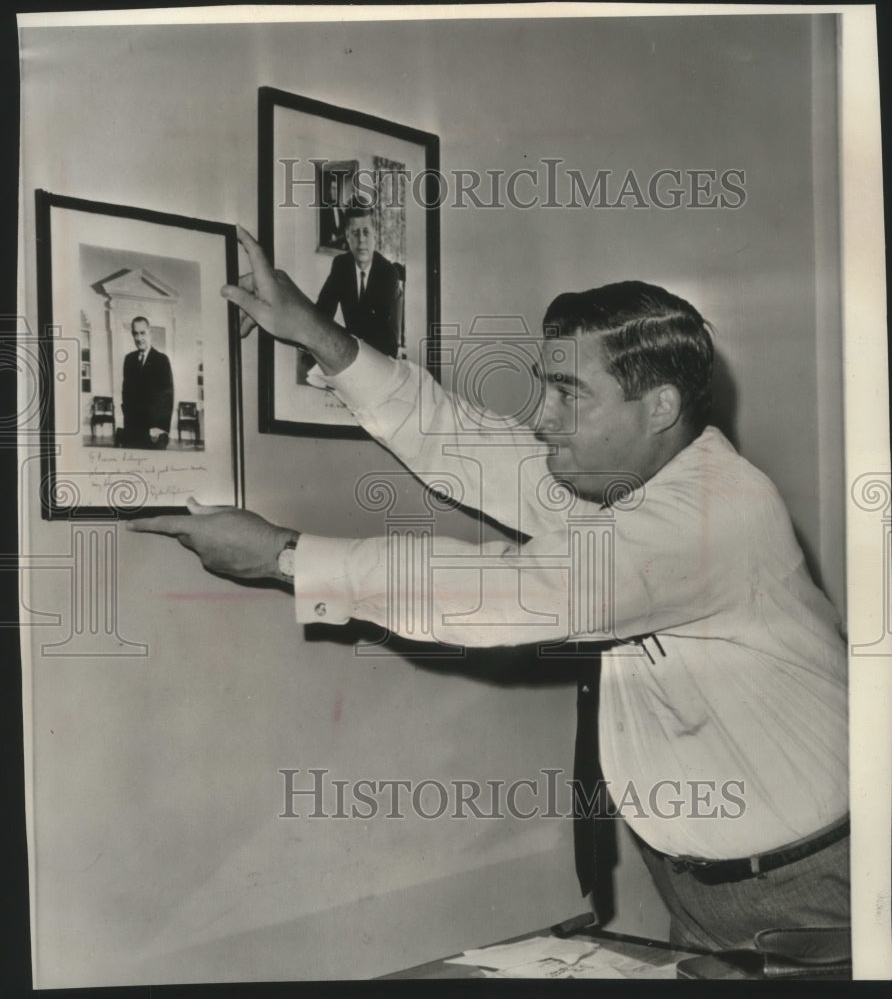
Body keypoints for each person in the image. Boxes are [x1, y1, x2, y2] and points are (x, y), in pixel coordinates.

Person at [128, 227, 849, 953]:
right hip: (701, 895)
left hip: (818, 890)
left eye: (570, 394)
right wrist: (319, 334)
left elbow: (506, 595)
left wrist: (283, 557)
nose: (542, 417)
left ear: (659, 408)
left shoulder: (714, 514)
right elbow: (463, 444)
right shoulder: (623, 485)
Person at [315, 207, 402, 359]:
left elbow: (390, 339)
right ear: (347, 237)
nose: (361, 240)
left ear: (374, 235)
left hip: (379, 357)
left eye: (366, 232)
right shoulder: (341, 266)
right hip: (350, 354)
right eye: (355, 233)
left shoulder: (388, 273)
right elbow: (323, 312)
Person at [120, 315, 174, 449]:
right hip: (132, 428)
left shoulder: (162, 360)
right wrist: (127, 418)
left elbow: (168, 396)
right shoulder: (129, 359)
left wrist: (160, 427)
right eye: (135, 334)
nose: (139, 338)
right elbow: (125, 392)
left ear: (150, 333)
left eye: (142, 333)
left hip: (153, 431)